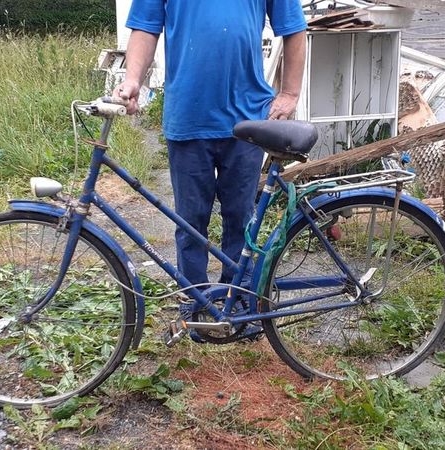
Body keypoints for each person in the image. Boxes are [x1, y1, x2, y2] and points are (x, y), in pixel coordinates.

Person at [114, 1, 307, 324]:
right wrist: (133, 79)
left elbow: (294, 27)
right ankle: (196, 299)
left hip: (247, 121)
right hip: (188, 117)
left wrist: (289, 93)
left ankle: (238, 298)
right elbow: (145, 27)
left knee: (240, 217)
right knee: (191, 222)